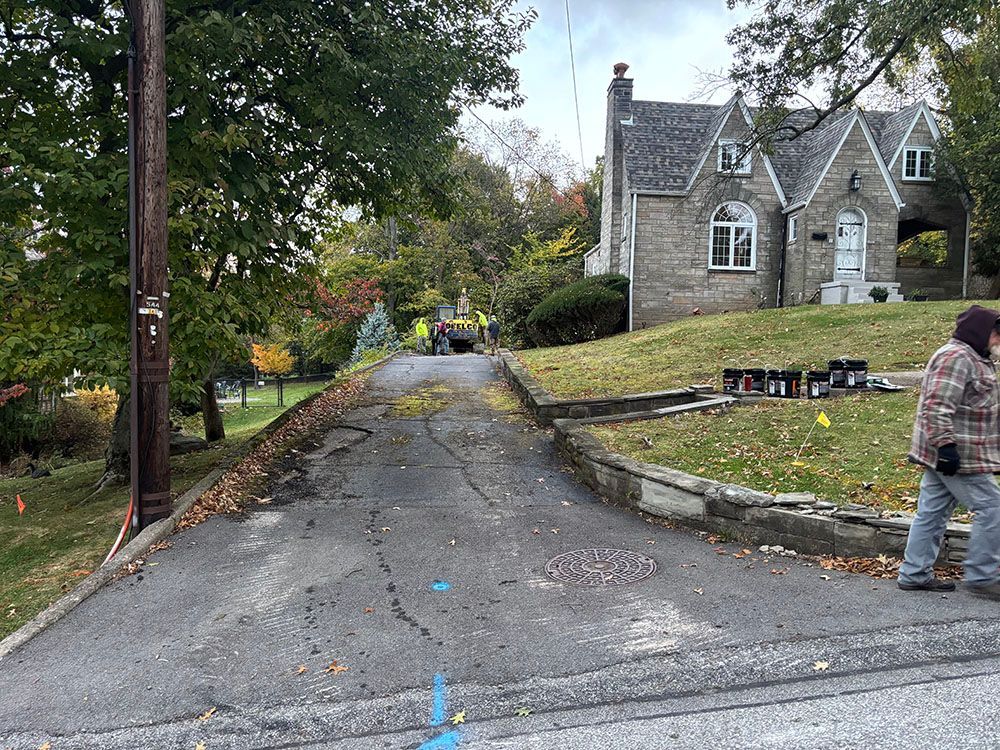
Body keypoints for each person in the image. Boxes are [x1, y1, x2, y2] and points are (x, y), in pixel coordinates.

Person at [898, 305, 1000, 599]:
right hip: (957, 456)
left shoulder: (978, 358)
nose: (999, 339)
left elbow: (980, 410)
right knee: (993, 509)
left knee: (932, 513)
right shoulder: (955, 357)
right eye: (997, 332)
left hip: (957, 452)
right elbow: (937, 406)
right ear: (981, 331)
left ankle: (914, 573)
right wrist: (946, 448)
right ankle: (982, 577)